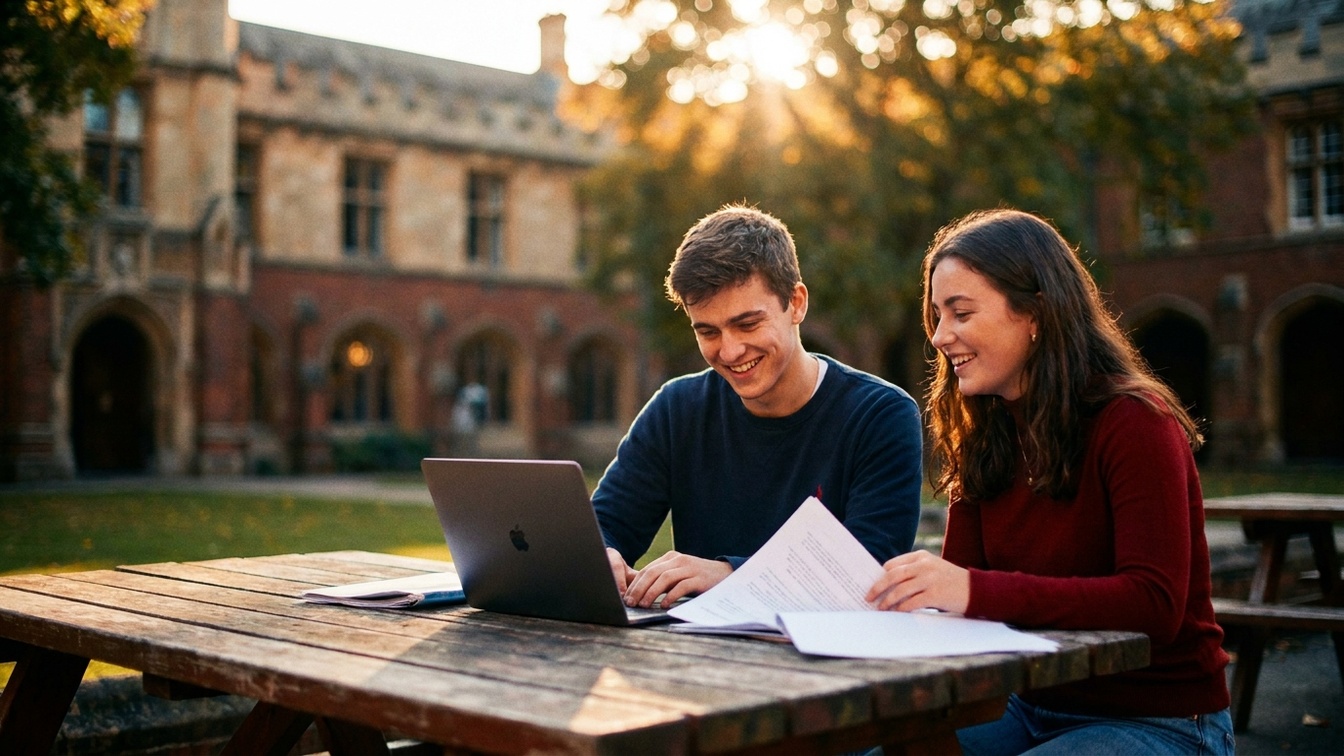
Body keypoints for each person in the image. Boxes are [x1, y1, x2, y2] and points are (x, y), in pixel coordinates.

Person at [867, 208, 1233, 754]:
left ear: (1035, 312)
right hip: (1024, 701)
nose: (940, 336)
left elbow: (1153, 602)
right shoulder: (985, 432)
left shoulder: (1135, 422)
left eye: (960, 313)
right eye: (937, 316)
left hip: (1163, 718)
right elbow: (961, 593)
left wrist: (967, 590)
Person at [593, 204, 924, 609]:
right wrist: (600, 556)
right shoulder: (676, 409)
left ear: (796, 303)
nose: (730, 350)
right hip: (696, 658)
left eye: (748, 324)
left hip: (827, 667)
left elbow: (867, 571)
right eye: (708, 331)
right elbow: (604, 524)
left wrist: (731, 575)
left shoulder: (880, 415)